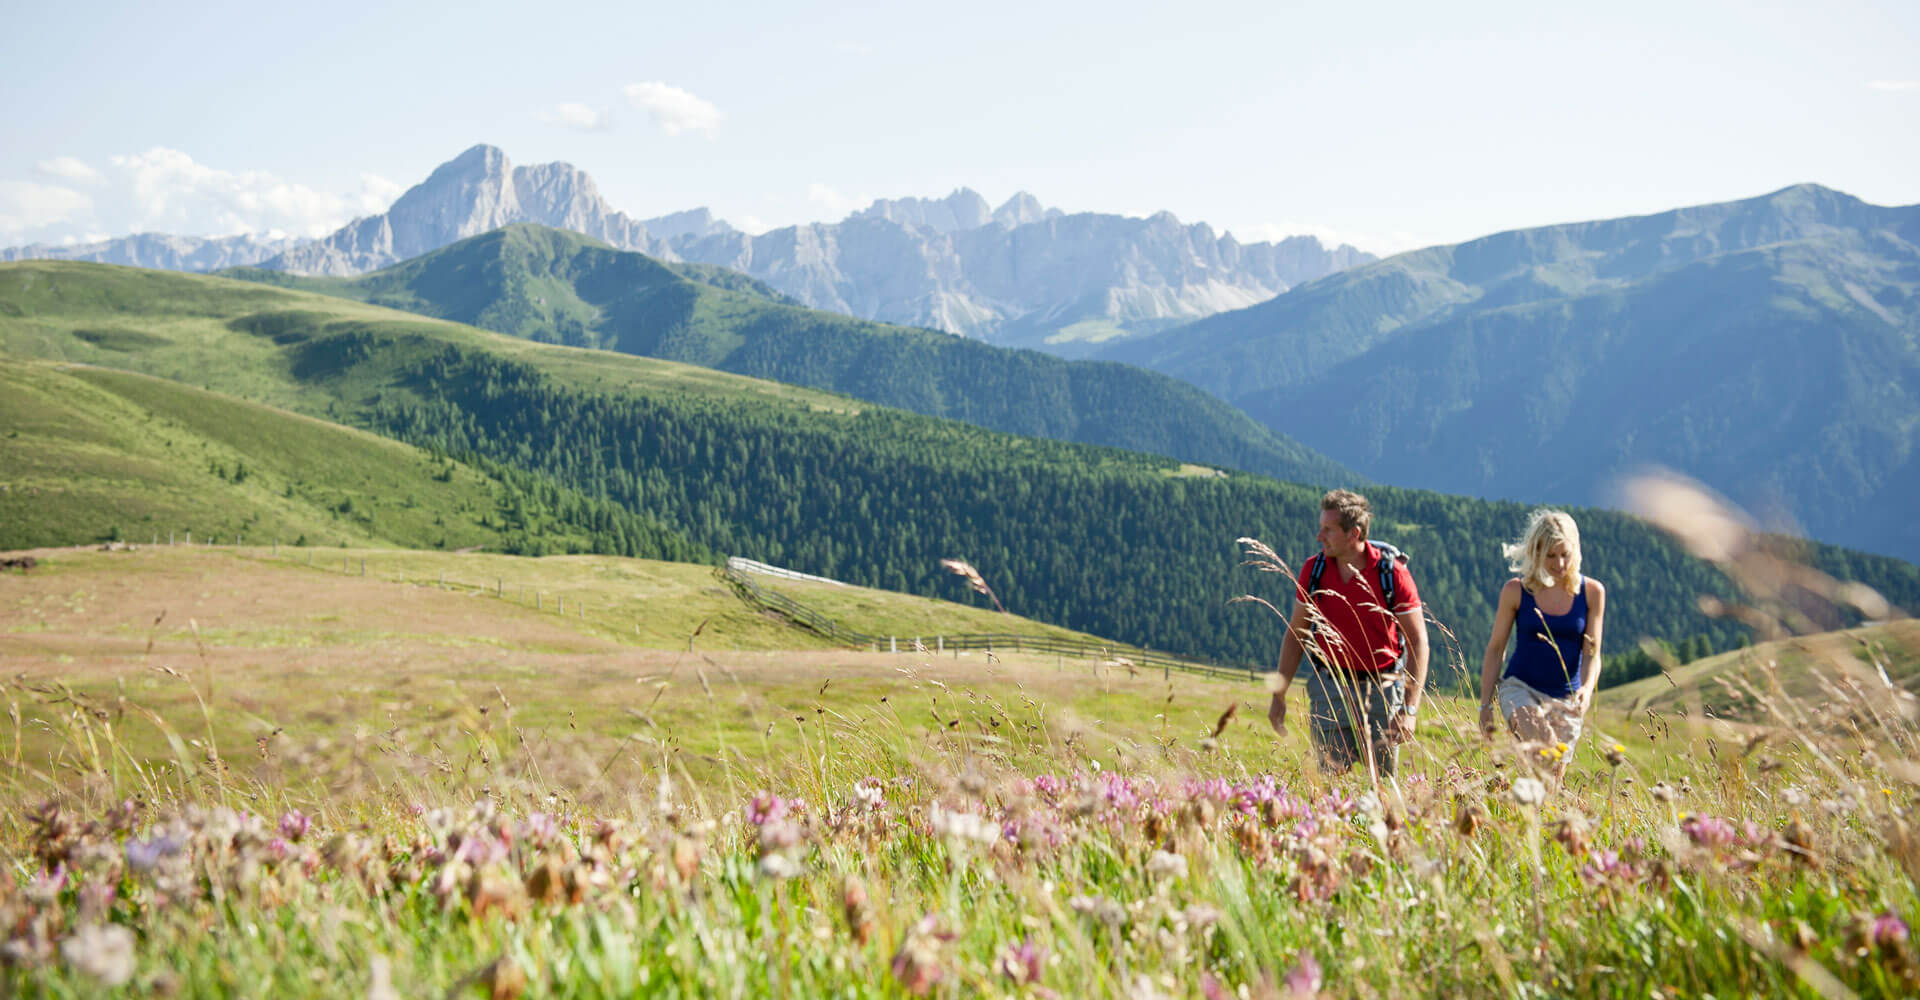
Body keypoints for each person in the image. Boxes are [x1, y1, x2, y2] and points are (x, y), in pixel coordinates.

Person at [1267, 490, 1430, 778]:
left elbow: (1418, 642)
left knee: (1382, 783)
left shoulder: (1392, 574)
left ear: (1354, 533)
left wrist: (1410, 709)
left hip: (1382, 687)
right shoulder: (1314, 570)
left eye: (1328, 530)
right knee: (1332, 777)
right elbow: (1297, 634)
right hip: (1329, 685)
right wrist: (1279, 694)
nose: (1320, 536)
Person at [1477, 509, 1606, 780]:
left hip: (1567, 700)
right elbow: (1496, 648)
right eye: (1550, 556)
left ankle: (1519, 814)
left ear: (1576, 552)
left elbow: (1592, 653)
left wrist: (1586, 689)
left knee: (1551, 780)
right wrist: (1485, 706)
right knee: (1546, 750)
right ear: (1536, 553)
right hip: (1521, 689)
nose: (1559, 563)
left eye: (1565, 555)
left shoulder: (1593, 592)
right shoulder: (1516, 591)